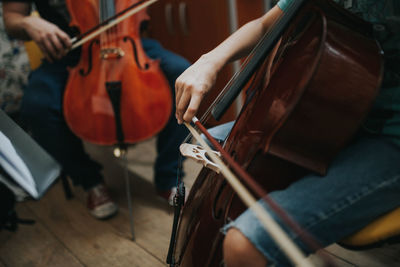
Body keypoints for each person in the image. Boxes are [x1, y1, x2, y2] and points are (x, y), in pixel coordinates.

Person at [175, 0, 400, 266]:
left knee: (245, 244)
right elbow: (264, 26)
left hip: (390, 139)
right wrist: (209, 61)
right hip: (334, 117)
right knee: (211, 142)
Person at [2, 0, 189, 220]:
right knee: (37, 106)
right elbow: (12, 16)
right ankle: (90, 180)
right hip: (69, 52)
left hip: (128, 40)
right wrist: (27, 23)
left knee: (183, 77)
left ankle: (169, 176)